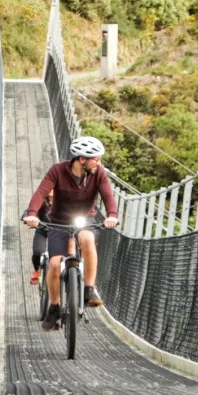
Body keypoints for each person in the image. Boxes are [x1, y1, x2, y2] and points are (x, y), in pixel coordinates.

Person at [22, 136, 119, 331]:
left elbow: (107, 195)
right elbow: (41, 193)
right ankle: (55, 307)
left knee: (87, 238)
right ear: (82, 159)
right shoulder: (57, 171)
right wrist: (32, 214)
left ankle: (88, 291)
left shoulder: (98, 174)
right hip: (58, 222)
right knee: (55, 264)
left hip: (85, 218)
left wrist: (112, 215)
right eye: (96, 159)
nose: (99, 163)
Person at [22, 190, 54, 285]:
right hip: (42, 230)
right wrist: (27, 218)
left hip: (57, 233)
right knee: (37, 252)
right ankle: (36, 271)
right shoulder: (41, 201)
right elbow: (30, 211)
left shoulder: (63, 200)